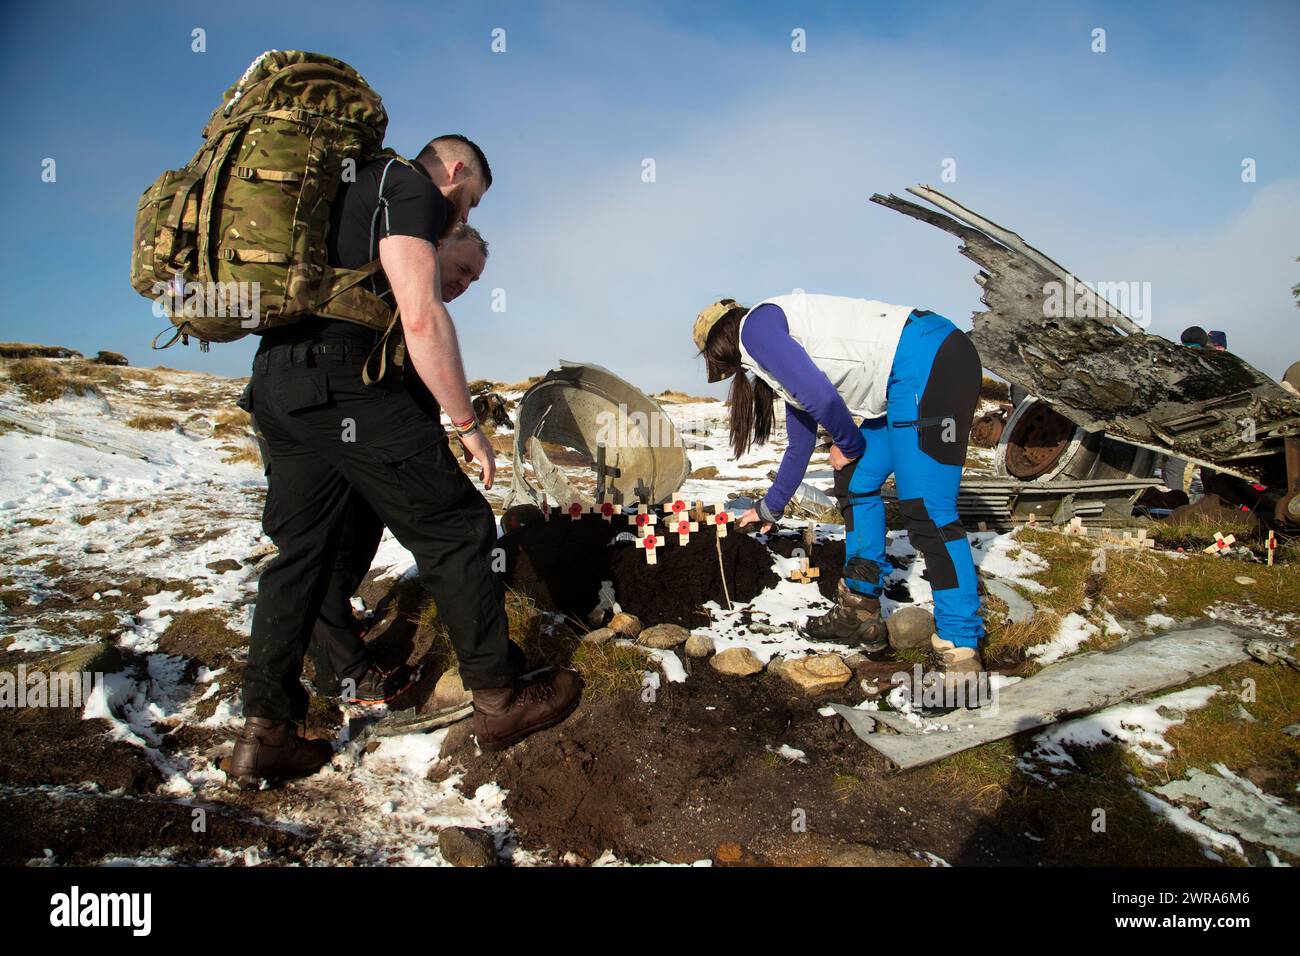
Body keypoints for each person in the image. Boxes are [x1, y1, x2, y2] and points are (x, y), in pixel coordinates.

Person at [229, 135, 582, 788]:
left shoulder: (345, 192)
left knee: (298, 557)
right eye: (468, 201)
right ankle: (501, 701)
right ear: (453, 172)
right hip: (340, 378)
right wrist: (469, 425)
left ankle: (264, 736)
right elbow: (422, 318)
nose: (463, 216)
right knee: (458, 527)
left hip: (279, 379)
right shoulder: (408, 185)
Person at [693, 294, 985, 691]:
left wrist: (848, 442)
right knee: (855, 483)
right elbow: (800, 444)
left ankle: (960, 647)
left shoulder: (757, 327)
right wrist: (768, 509)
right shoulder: (773, 359)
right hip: (901, 382)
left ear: (719, 344)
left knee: (926, 509)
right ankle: (859, 613)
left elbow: (824, 398)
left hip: (929, 358)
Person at [301, 223, 491, 706]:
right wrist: (464, 432)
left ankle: (336, 631)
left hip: (360, 431)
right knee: (324, 541)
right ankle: (343, 671)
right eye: (463, 268)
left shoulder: (405, 290)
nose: (465, 283)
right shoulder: (394, 283)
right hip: (330, 421)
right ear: (437, 244)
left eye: (474, 280)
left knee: (360, 528)